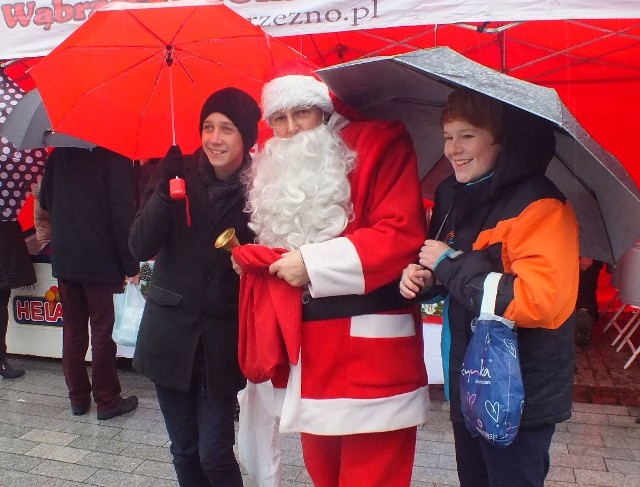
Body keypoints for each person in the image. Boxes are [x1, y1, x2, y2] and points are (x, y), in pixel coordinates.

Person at [237, 62, 429, 487]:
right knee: (323, 475)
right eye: (279, 119)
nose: (291, 129)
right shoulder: (279, 168)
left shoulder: (380, 143)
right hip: (310, 355)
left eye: (301, 113)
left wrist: (311, 264)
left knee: (372, 477)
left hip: (371, 355)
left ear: (323, 110)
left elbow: (400, 235)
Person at [399, 88, 579, 487]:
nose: (452, 149)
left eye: (468, 136)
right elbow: (455, 277)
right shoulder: (453, 195)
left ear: (504, 139)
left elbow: (539, 301)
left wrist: (450, 265)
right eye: (448, 136)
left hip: (520, 393)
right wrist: (428, 279)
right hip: (470, 379)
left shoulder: (541, 205)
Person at [129, 87, 261, 487]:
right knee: (184, 450)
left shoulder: (262, 187)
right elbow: (139, 245)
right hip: (169, 332)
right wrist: (164, 195)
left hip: (222, 337)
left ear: (247, 137)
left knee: (214, 452)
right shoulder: (175, 173)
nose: (214, 138)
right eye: (207, 127)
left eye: (226, 129)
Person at [39, 146, 140, 419]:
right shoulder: (114, 158)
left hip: (66, 259)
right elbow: (123, 217)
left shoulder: (58, 156)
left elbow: (45, 201)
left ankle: (78, 398)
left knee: (72, 331)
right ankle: (107, 400)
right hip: (101, 262)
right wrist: (131, 265)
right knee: (103, 332)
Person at [575, 256, 604, 346]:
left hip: (587, 252)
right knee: (583, 287)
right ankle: (584, 315)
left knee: (585, 286)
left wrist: (588, 254)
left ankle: (584, 314)